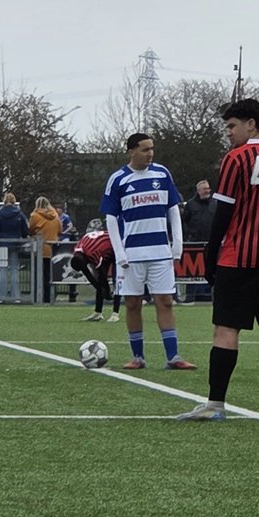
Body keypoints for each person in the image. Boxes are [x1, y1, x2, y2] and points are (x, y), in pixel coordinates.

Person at [178, 98, 259, 422]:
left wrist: (210, 254)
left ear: (252, 124)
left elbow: (224, 212)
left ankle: (216, 405)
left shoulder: (237, 159)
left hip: (239, 259)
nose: (229, 133)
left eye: (232, 126)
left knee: (225, 329)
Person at [101, 132, 194, 370]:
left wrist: (177, 243)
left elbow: (173, 208)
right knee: (132, 303)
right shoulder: (118, 179)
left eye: (152, 148)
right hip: (131, 255)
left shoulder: (162, 174)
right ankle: (137, 357)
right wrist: (119, 252)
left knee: (165, 301)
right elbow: (111, 218)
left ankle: (173, 357)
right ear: (131, 150)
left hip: (160, 252)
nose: (150, 153)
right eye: (144, 149)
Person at [72, 218, 121, 322]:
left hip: (117, 246)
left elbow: (102, 274)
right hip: (106, 249)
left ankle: (115, 313)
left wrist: (106, 291)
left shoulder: (92, 253)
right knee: (100, 283)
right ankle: (97, 313)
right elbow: (87, 272)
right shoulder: (78, 250)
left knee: (117, 280)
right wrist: (99, 288)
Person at [0, 192, 29, 303]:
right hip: (15, 244)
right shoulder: (19, 214)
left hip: (2, 244)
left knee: (2, 270)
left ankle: (1, 297)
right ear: (14, 201)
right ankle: (16, 296)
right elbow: (25, 230)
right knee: (14, 270)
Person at [29, 196, 63, 304]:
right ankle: (50, 298)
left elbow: (30, 230)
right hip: (53, 250)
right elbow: (60, 230)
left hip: (40, 250)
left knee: (38, 275)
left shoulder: (35, 216)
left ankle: (38, 297)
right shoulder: (56, 216)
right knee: (51, 275)